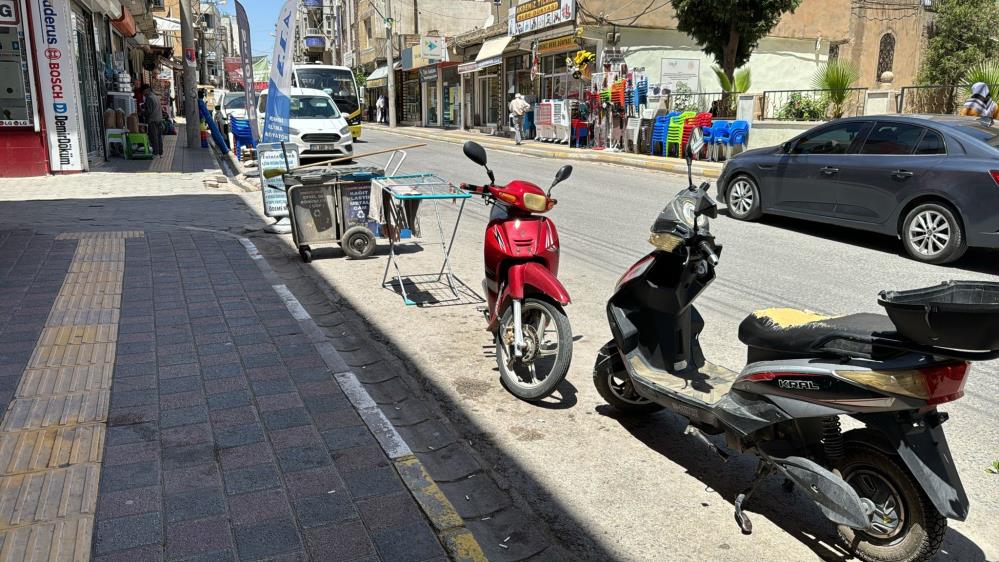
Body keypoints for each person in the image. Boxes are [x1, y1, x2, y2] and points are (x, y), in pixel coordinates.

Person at [141, 84, 164, 157]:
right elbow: (153, 106)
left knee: (154, 137)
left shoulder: (149, 98)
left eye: (143, 92)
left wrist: (142, 112)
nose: (143, 94)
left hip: (153, 120)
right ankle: (160, 152)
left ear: (146, 90)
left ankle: (155, 152)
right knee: (159, 136)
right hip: (159, 119)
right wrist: (144, 105)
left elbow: (149, 111)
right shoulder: (155, 97)